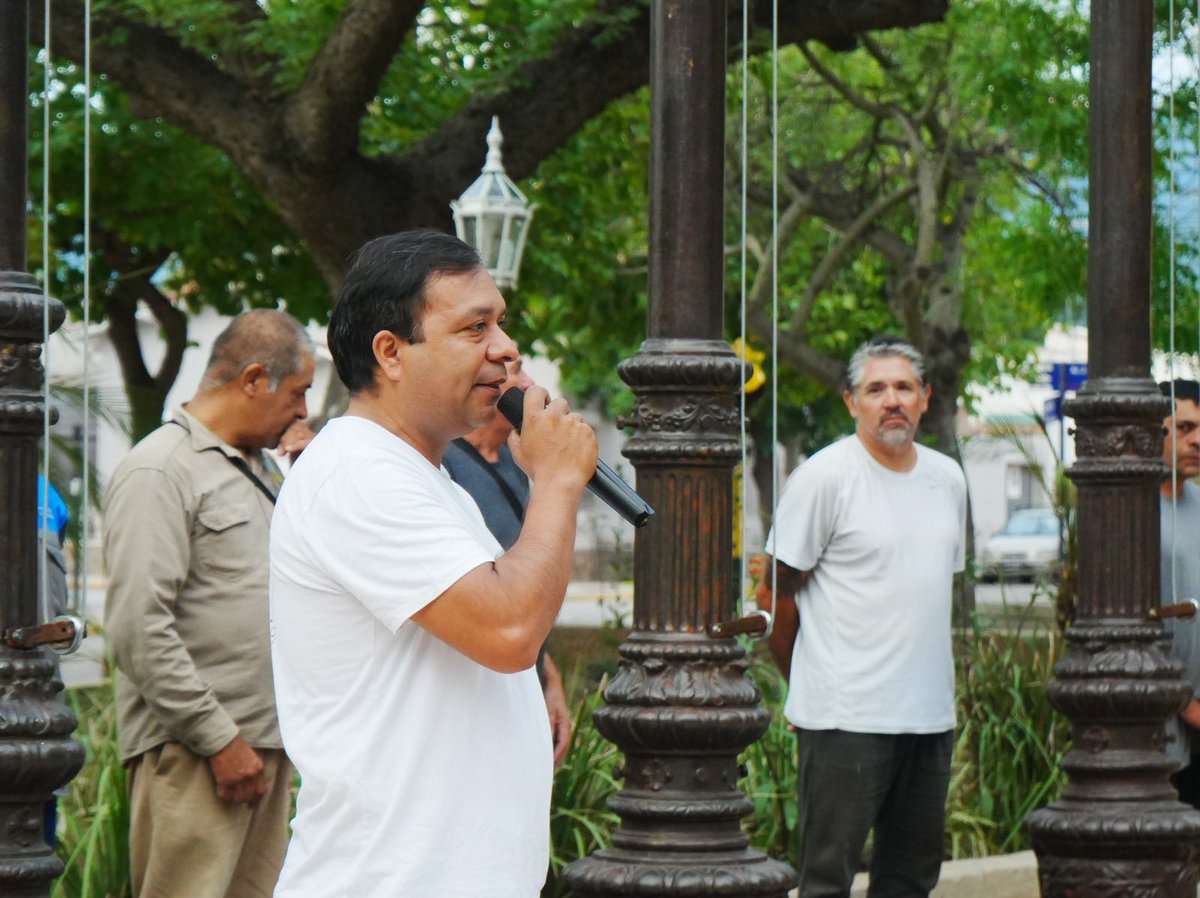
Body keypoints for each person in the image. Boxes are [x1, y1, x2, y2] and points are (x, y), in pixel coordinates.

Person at [268, 229, 597, 897]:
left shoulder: (427, 478)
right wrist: (557, 483)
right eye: (475, 328)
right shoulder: (357, 473)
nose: (506, 349)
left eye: (501, 324)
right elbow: (508, 632)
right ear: (390, 352)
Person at [103, 309, 314, 898]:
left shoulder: (263, 470)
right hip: (200, 754)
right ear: (252, 380)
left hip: (264, 746)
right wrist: (218, 739)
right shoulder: (160, 469)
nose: (302, 412)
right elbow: (137, 627)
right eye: (298, 393)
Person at [756, 335, 966, 898]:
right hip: (844, 720)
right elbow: (774, 596)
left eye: (904, 387)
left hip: (927, 719)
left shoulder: (948, 479)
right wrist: (804, 682)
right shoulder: (824, 478)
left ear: (925, 398)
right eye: (876, 389)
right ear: (852, 402)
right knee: (827, 878)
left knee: (911, 879)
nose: (891, 399)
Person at [442, 356, 573, 766]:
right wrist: (559, 479)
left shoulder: (515, 466)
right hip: (472, 700)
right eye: (516, 372)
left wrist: (549, 679)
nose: (531, 384)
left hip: (522, 679)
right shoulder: (446, 465)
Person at [1158, 379, 1200, 807]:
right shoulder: (1130, 512)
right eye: (1185, 428)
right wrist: (1185, 702)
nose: (1198, 440)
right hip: (1162, 726)